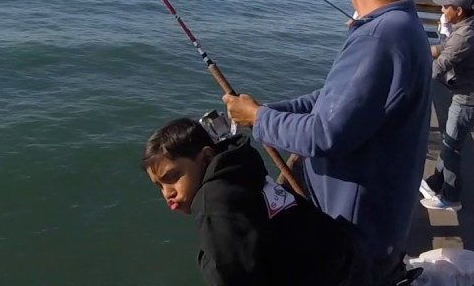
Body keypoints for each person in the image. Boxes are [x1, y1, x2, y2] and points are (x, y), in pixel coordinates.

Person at [223, 0, 433, 282]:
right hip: (380, 221)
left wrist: (259, 119)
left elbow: (324, 134)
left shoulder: (378, 38)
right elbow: (334, 101)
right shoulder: (408, 28)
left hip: (354, 233)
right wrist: (270, 111)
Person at [141, 117, 370, 286]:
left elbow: (229, 278)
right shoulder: (242, 168)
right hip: (346, 258)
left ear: (207, 157)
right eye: (159, 185)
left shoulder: (213, 201)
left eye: (172, 177)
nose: (167, 192)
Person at [420, 0, 474, 212]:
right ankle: (436, 182)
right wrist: (418, 49)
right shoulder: (469, 26)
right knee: (448, 141)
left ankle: (451, 197)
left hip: (469, 99)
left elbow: (441, 65)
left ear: (458, 10)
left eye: (445, 7)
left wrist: (411, 80)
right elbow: (443, 48)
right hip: (471, 93)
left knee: (451, 146)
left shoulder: (465, 35)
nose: (442, 11)